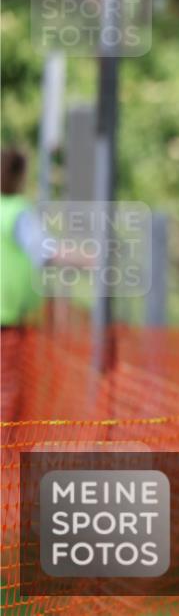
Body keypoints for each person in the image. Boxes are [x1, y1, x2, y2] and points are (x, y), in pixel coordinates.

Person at [1, 148, 44, 421]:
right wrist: (90, 258)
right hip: (9, 328)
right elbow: (45, 251)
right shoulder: (18, 212)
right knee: (6, 400)